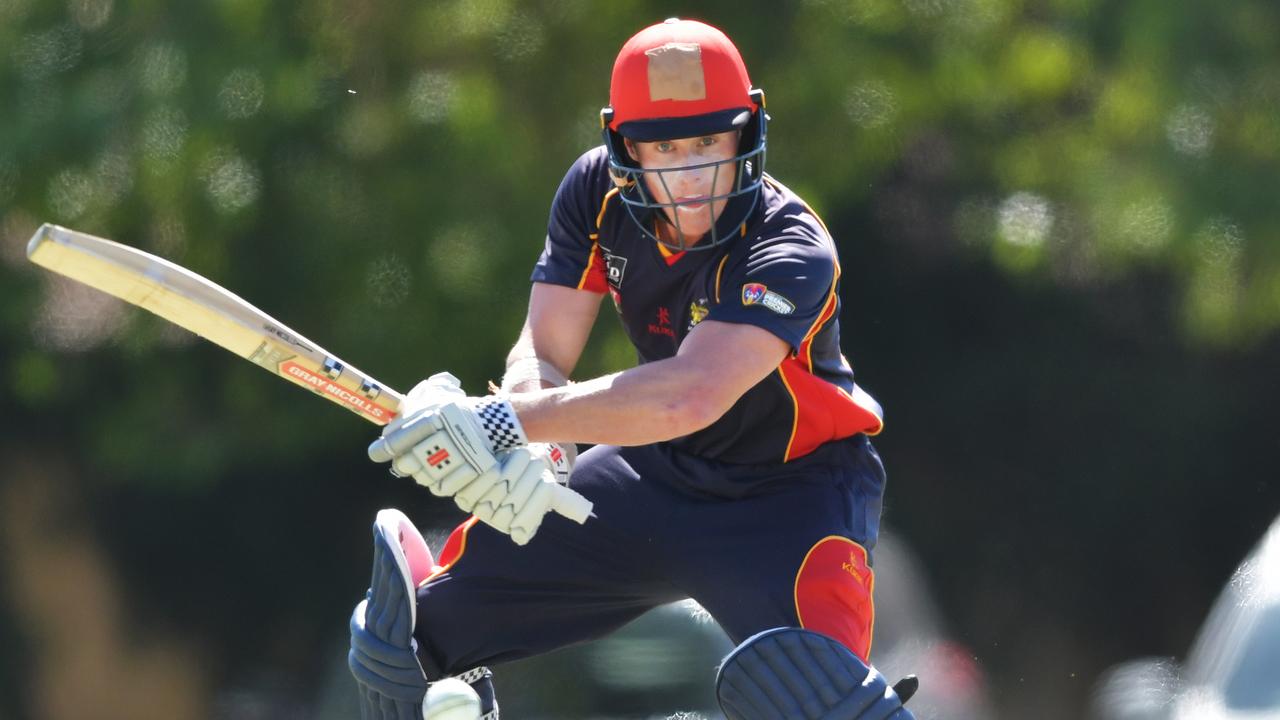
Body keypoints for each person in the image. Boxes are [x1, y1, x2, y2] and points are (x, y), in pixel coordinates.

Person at [346, 18, 916, 720]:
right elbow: (544, 351)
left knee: (820, 704)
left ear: (748, 131)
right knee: (397, 648)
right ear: (625, 148)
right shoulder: (595, 193)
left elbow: (689, 394)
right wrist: (539, 444)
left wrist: (498, 419)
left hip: (794, 496)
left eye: (710, 141)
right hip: (655, 474)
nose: (691, 174)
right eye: (666, 148)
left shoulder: (790, 245)